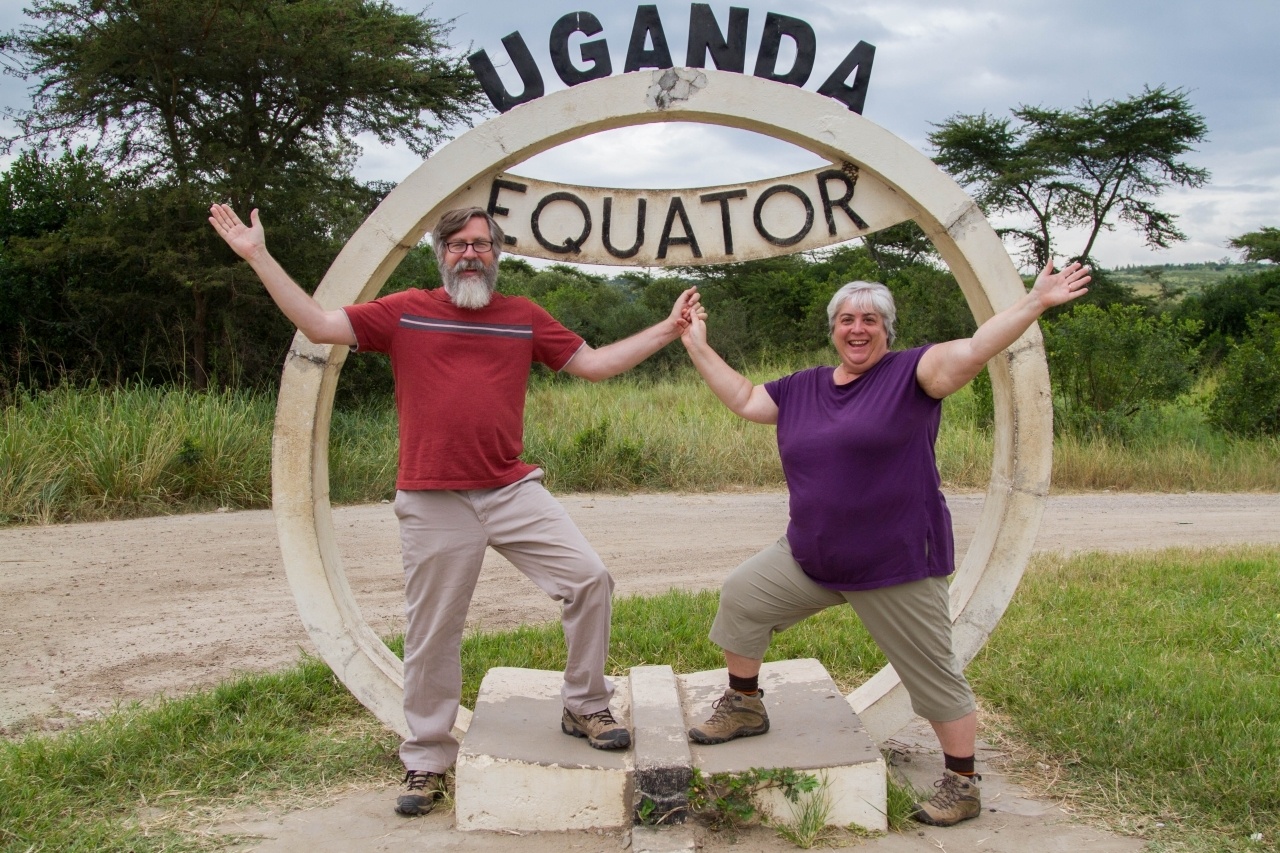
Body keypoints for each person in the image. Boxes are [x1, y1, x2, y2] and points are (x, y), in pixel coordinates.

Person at [208, 203, 702, 817]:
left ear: (498, 254)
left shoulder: (522, 316)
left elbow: (595, 364)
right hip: (433, 497)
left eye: (483, 244)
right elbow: (315, 322)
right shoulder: (405, 310)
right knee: (433, 632)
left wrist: (667, 328)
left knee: (588, 579)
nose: (471, 253)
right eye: (458, 245)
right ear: (440, 254)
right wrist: (258, 255)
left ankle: (584, 703)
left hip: (510, 489)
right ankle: (426, 759)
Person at [678, 262, 1090, 827]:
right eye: (847, 319)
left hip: (897, 562)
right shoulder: (804, 387)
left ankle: (963, 783)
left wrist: (1035, 303)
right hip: (813, 556)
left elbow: (974, 348)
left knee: (932, 673)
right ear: (832, 329)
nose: (857, 328)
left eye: (870, 319)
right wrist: (697, 345)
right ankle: (746, 705)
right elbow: (747, 398)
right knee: (743, 598)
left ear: (887, 330)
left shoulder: (913, 374)